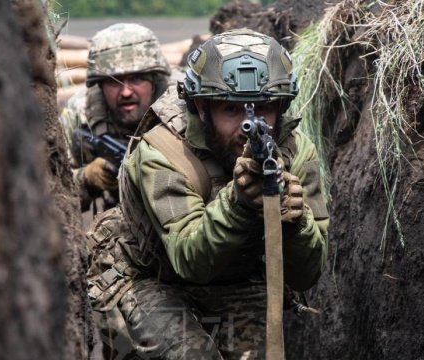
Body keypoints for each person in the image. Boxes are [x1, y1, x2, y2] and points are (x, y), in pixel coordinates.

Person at [86, 29, 329, 359]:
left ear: (282, 107)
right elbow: (190, 261)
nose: (249, 124)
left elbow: (307, 276)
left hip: (237, 276)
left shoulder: (297, 152)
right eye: (231, 110)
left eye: (264, 108)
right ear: (202, 106)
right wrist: (239, 203)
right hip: (151, 276)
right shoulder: (162, 150)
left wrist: (295, 223)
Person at [59, 23, 172, 225]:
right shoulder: (81, 114)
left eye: (137, 78)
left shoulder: (183, 104)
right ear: (100, 85)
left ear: (155, 79)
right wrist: (85, 178)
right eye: (113, 82)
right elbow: (51, 190)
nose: (126, 92)